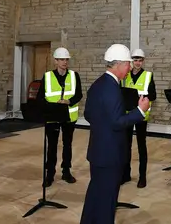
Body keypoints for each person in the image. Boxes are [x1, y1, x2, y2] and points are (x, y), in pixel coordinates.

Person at [80, 44, 151, 224]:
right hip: (110, 155)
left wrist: (104, 127)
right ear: (119, 64)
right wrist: (140, 111)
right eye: (128, 64)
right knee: (107, 202)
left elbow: (89, 114)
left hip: (98, 152)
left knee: (95, 196)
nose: (129, 68)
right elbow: (117, 122)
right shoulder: (112, 88)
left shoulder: (98, 83)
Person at [35, 47, 83, 186]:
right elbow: (40, 98)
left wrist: (69, 101)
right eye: (61, 59)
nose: (64, 62)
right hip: (53, 115)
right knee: (52, 146)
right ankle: (50, 174)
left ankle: (66, 171)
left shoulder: (74, 75)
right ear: (55, 61)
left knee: (67, 145)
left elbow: (79, 94)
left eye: (66, 59)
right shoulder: (48, 76)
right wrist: (51, 107)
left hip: (69, 116)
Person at [121, 48, 156, 188]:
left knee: (142, 146)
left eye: (140, 60)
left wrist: (143, 99)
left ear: (143, 61)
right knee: (126, 146)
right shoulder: (125, 75)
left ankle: (142, 177)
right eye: (135, 60)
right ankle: (126, 175)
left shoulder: (148, 75)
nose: (138, 63)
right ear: (132, 61)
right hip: (128, 115)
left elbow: (153, 95)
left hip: (142, 115)